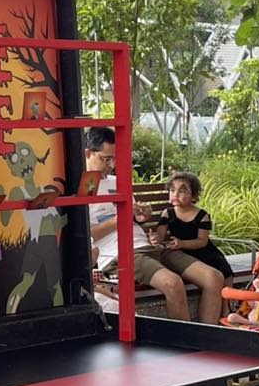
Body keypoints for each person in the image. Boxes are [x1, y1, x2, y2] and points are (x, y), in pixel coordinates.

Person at [84, 127, 225, 324]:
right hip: (120, 255)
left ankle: (208, 343)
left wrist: (142, 214)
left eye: (115, 158)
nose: (112, 165)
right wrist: (121, 217)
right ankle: (187, 348)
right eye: (106, 159)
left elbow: (133, 218)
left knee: (214, 278)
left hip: (151, 247)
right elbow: (85, 235)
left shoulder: (117, 181)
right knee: (173, 283)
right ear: (88, 153)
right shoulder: (78, 189)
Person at [153, 171, 234, 281]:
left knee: (226, 274)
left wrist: (182, 243)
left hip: (204, 252)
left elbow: (202, 241)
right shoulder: (168, 213)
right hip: (181, 254)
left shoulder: (201, 215)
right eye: (172, 190)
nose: (175, 195)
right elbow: (160, 237)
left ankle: (228, 297)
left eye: (182, 191)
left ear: (194, 196)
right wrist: (154, 239)